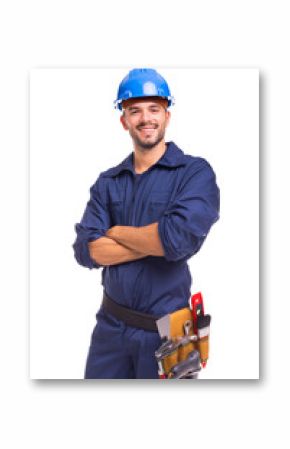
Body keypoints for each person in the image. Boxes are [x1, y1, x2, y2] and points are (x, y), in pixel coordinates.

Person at [73, 68, 220, 379]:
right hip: (109, 331)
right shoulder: (108, 182)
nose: (145, 118)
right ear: (123, 120)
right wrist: (156, 243)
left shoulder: (194, 174)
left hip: (168, 334)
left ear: (167, 115)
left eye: (154, 109)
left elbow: (176, 239)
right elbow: (88, 251)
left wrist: (116, 233)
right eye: (134, 110)